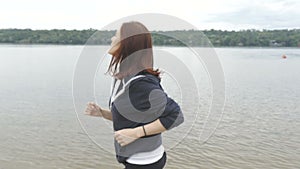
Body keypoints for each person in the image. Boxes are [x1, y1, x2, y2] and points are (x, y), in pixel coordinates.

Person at [84, 21, 184, 169]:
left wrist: (136, 133)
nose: (112, 39)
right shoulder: (123, 77)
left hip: (145, 163)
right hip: (133, 160)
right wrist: (102, 113)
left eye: (116, 35)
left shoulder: (141, 84)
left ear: (127, 43)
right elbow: (131, 117)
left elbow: (176, 115)